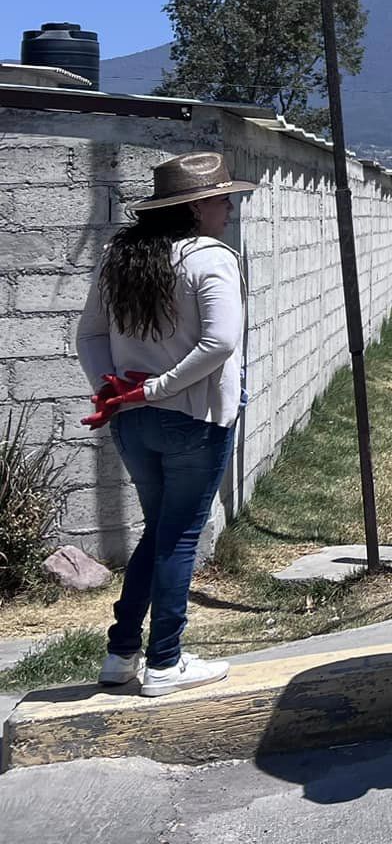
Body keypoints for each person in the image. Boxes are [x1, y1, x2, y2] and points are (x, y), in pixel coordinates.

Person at [73, 152, 255, 698]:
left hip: (132, 423)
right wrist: (158, 387)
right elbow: (221, 343)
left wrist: (115, 386)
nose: (229, 208)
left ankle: (121, 651)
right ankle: (165, 661)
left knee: (160, 533)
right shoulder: (210, 258)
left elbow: (89, 335)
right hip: (192, 421)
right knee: (178, 538)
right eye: (223, 199)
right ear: (198, 206)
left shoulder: (120, 255)